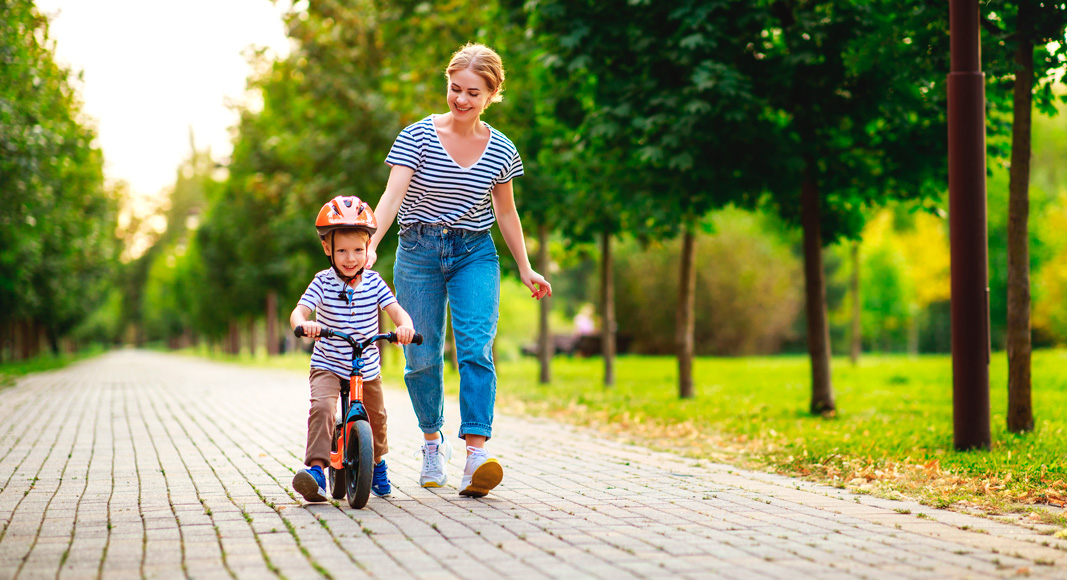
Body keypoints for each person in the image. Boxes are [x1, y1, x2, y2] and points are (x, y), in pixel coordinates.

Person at [366, 42, 551, 498]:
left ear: (491, 95)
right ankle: (433, 442)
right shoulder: (417, 137)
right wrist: (369, 243)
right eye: (455, 89)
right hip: (418, 250)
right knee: (421, 355)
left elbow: (506, 213)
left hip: (475, 253)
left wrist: (526, 268)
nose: (462, 100)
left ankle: (475, 457)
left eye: (473, 92)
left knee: (475, 349)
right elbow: (391, 198)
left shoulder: (502, 149)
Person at [290, 195, 416, 502]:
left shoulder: (374, 283)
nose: (350, 258)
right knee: (322, 409)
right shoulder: (321, 282)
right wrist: (305, 325)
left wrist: (405, 327)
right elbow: (299, 312)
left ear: (368, 249)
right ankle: (317, 470)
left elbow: (396, 310)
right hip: (328, 363)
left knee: (378, 416)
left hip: (366, 366)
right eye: (342, 250)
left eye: (358, 250)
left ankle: (376, 462)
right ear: (327, 249)